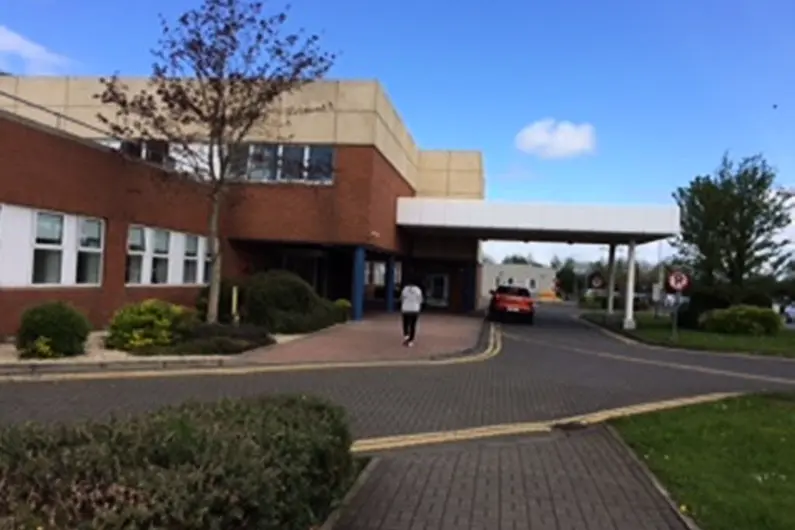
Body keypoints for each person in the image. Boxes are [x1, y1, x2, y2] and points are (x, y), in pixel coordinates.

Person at [400, 277, 424, 347]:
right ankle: (410, 341)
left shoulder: (405, 289)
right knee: (413, 325)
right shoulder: (418, 290)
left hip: (405, 309)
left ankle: (406, 336)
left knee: (405, 324)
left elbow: (401, 298)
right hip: (415, 309)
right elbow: (420, 300)